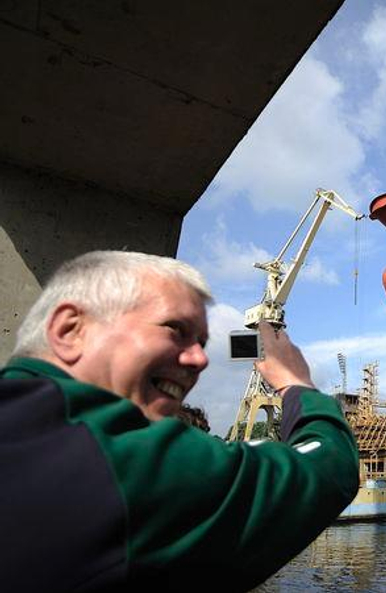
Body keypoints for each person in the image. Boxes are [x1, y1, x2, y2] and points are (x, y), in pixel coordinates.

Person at [0, 251, 359, 591]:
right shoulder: (125, 462)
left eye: (201, 342)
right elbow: (329, 467)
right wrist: (296, 384)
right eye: (175, 329)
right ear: (70, 329)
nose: (201, 359)